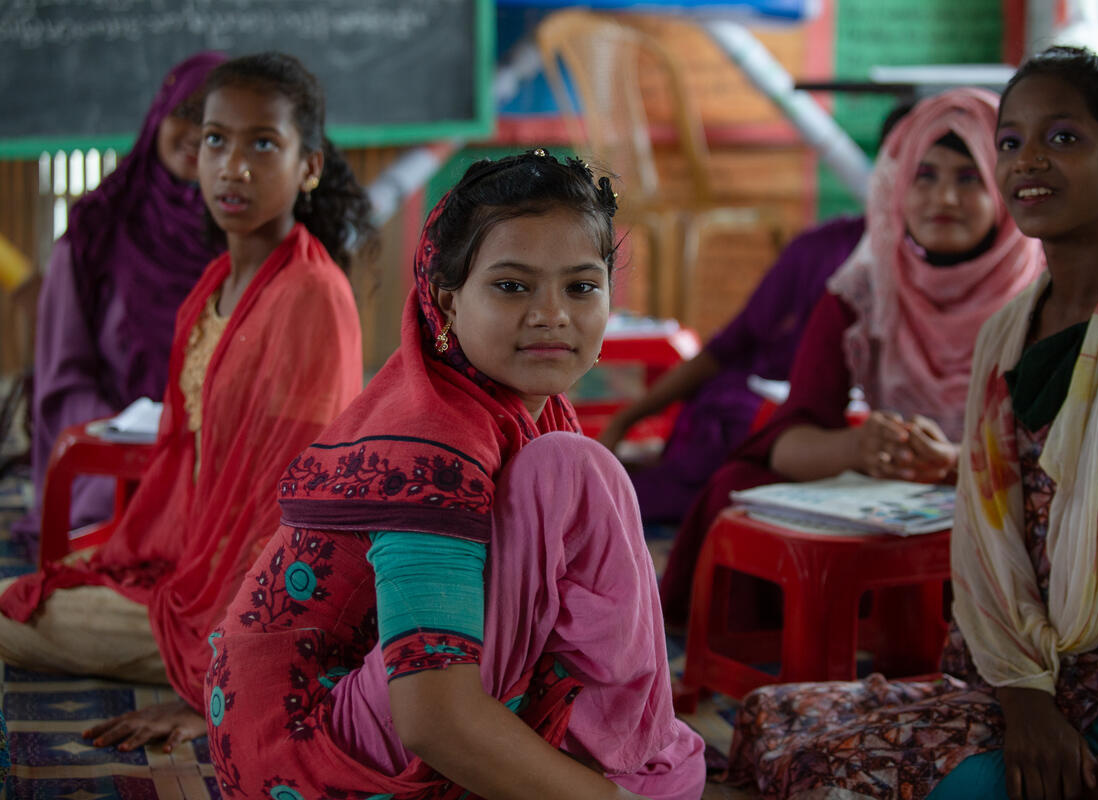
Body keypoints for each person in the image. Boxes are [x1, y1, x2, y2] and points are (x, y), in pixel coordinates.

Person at [725, 46, 1098, 800]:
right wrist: (1023, 695)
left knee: (862, 776)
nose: (1028, 161)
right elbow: (988, 527)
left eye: (1064, 139)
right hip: (1002, 663)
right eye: (1010, 141)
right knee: (766, 725)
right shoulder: (1009, 332)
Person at [204, 150, 705, 800]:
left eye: (581, 286)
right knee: (575, 473)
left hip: (364, 706)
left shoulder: (530, 408)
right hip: (306, 743)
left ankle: (624, 753)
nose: (551, 313)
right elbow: (432, 720)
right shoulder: (432, 440)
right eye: (512, 285)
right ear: (448, 298)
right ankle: (619, 764)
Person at [0, 52, 373, 752]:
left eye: (264, 143)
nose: (233, 166)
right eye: (215, 140)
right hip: (198, 566)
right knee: (36, 594)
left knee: (11, 621)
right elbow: (189, 466)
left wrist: (216, 686)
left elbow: (296, 505)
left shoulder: (310, 297)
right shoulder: (212, 289)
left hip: (264, 599)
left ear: (309, 167)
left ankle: (235, 663)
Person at [658, 88, 1045, 626]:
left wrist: (957, 462)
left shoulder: (1043, 302)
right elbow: (791, 437)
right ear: (897, 183)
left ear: (1006, 192)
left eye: (970, 178)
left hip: (1006, 493)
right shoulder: (864, 293)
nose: (943, 199)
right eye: (924, 175)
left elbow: (1064, 452)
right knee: (733, 486)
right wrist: (860, 446)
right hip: (893, 488)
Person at [597, 107, 916, 525]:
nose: (939, 194)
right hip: (763, 418)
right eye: (913, 169)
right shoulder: (823, 252)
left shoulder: (980, 288)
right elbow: (729, 345)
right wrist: (627, 418)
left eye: (962, 176)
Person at [12, 52, 228, 554]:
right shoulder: (95, 234)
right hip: (114, 461)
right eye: (186, 113)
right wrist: (145, 449)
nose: (198, 134)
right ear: (158, 116)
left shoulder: (246, 240)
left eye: (216, 128)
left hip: (215, 461)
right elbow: (65, 381)